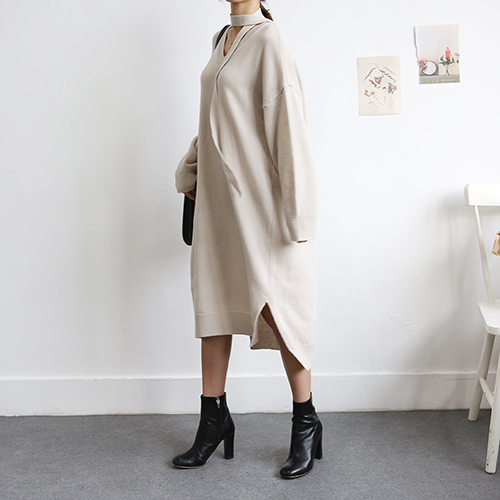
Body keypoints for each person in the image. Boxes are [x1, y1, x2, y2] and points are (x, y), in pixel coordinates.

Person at [173, 0, 321, 479]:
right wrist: (191, 169)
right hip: (217, 204)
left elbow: (289, 126)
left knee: (280, 309)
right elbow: (213, 117)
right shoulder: (221, 38)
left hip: (259, 204)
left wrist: (298, 212)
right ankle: (213, 419)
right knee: (214, 303)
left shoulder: (269, 39)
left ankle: (306, 421)